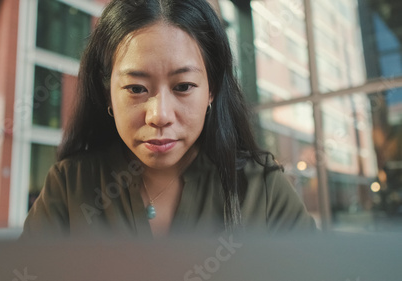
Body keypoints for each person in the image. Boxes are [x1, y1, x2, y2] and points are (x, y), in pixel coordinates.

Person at [20, 0, 316, 239]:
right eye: (136, 89)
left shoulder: (262, 189)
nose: (159, 115)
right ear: (107, 92)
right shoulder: (70, 186)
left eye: (183, 87)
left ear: (211, 90)